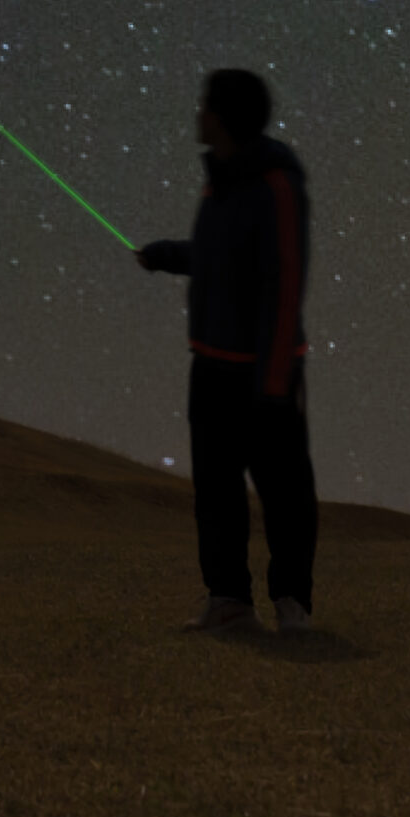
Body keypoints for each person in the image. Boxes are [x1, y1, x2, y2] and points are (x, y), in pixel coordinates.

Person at [135, 69, 319, 637]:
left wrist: (273, 382)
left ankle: (291, 600)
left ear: (224, 117)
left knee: (284, 493)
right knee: (216, 493)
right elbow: (218, 255)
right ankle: (229, 599)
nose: (198, 114)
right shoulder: (220, 182)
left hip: (263, 374)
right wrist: (167, 256)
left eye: (205, 106)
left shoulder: (275, 183)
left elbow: (285, 281)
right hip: (211, 366)